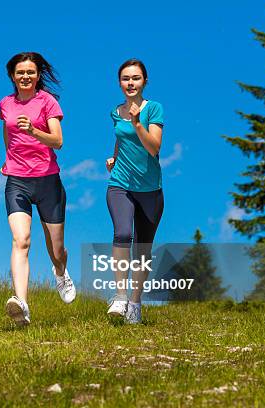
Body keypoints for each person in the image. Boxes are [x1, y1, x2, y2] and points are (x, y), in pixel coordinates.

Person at [0, 52, 76, 326]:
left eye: (30, 72)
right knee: (21, 240)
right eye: (20, 72)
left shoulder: (47, 102)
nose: (25, 77)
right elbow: (7, 132)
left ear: (38, 75)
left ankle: (60, 271)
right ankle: (22, 304)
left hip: (47, 180)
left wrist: (33, 131)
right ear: (12, 76)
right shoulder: (6, 104)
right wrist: (8, 159)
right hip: (17, 181)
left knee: (56, 250)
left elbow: (58, 141)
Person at [105, 59, 164, 324]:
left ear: (145, 81)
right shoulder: (116, 112)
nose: (130, 83)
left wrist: (137, 122)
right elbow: (121, 139)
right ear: (120, 82)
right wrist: (114, 158)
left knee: (143, 248)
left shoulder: (154, 109)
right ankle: (120, 296)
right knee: (123, 233)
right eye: (126, 78)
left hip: (150, 189)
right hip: (120, 183)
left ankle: (135, 303)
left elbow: (154, 148)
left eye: (136, 78)